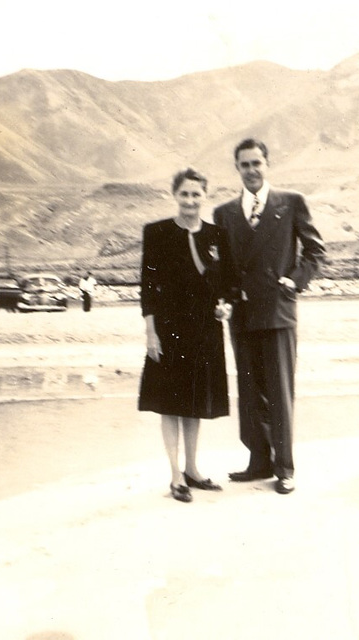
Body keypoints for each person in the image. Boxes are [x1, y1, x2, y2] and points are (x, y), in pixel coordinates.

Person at [213, 138, 326, 495]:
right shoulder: (224, 213)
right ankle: (258, 460)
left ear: (267, 163)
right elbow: (224, 267)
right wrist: (225, 299)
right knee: (249, 390)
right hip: (242, 312)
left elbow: (315, 251)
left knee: (279, 390)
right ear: (237, 169)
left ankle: (284, 467)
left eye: (256, 163)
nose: (251, 170)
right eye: (244, 165)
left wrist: (294, 281)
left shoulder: (291, 203)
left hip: (278, 310)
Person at [138, 167, 236, 503]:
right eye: (185, 194)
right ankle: (175, 475)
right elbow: (148, 288)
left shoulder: (217, 235)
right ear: (175, 195)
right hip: (168, 330)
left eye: (196, 194)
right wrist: (151, 334)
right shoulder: (157, 233)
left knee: (194, 402)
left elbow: (229, 284)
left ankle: (193, 469)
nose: (190, 200)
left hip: (205, 330)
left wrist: (226, 306)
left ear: (204, 197)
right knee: (170, 403)